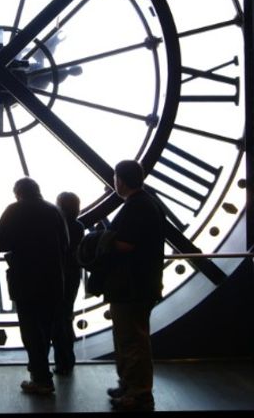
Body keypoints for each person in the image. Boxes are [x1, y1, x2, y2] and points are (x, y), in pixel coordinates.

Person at [0, 177, 69, 395]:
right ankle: (41, 374)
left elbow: (2, 243)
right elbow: (65, 245)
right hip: (53, 281)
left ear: (18, 193)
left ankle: (40, 377)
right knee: (44, 330)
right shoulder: (54, 211)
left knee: (31, 331)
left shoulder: (13, 211)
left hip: (25, 280)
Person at [104, 160, 165, 411]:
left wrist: (103, 242)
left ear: (121, 180)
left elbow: (126, 244)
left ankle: (137, 391)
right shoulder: (147, 204)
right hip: (140, 284)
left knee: (130, 340)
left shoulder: (135, 207)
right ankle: (134, 389)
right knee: (133, 338)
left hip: (130, 286)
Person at [52, 191, 85, 376]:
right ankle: (67, 360)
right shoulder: (78, 226)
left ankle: (62, 362)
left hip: (58, 277)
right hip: (72, 276)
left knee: (58, 321)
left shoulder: (56, 226)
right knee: (65, 318)